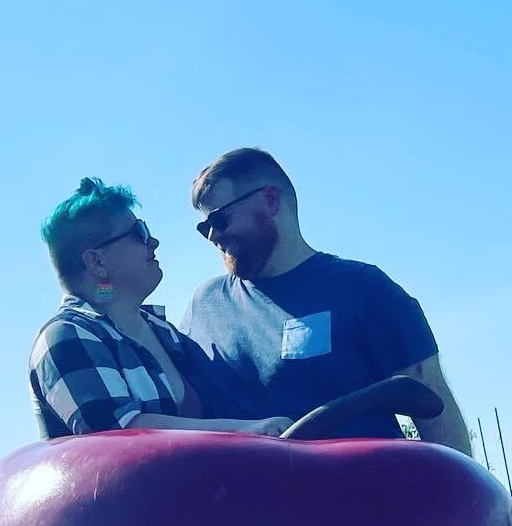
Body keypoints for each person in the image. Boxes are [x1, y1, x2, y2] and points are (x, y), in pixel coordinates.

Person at [180, 147, 473, 454]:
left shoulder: (364, 289)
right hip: (240, 485)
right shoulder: (204, 306)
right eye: (203, 227)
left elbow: (436, 412)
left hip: (362, 482)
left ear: (270, 200)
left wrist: (460, 485)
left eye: (220, 219)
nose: (212, 236)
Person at [30, 178, 289, 439]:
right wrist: (245, 430)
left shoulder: (166, 333)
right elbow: (116, 434)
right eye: (138, 233)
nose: (153, 242)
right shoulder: (65, 336)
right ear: (97, 262)